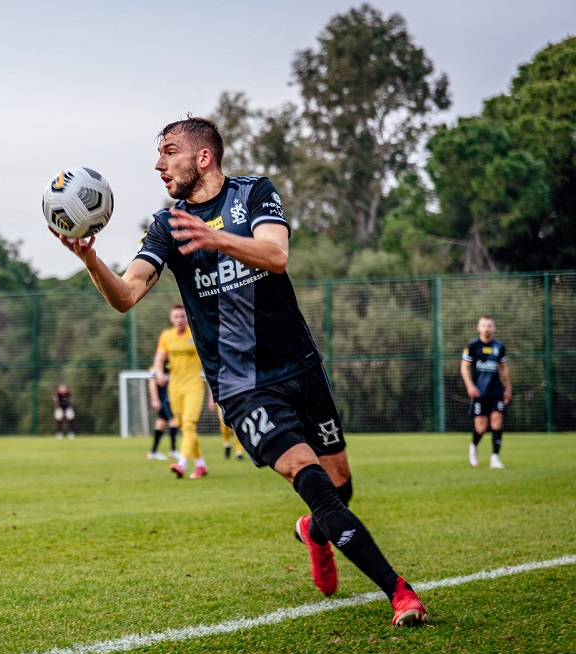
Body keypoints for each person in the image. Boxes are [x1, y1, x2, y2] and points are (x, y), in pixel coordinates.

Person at [52, 116, 426, 626]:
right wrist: (90, 260)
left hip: (299, 365)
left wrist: (218, 240)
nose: (159, 164)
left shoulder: (253, 193)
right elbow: (127, 295)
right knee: (310, 478)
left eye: (169, 151)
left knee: (340, 486)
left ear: (203, 156)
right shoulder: (166, 225)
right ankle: (400, 592)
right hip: (241, 385)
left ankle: (314, 533)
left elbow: (276, 255)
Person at [153, 304, 207, 478]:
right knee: (184, 427)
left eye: (182, 316)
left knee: (189, 424)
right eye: (176, 317)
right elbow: (159, 358)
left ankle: (182, 464)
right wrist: (159, 372)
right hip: (175, 388)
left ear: (187, 317)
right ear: (171, 319)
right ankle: (200, 464)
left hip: (194, 386)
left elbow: (208, 356)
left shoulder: (196, 333)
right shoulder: (166, 336)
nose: (180, 320)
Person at [461, 316, 511, 469]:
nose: (487, 329)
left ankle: (495, 458)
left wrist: (508, 387)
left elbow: (503, 368)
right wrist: (470, 386)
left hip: (496, 390)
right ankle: (473, 446)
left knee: (497, 420)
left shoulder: (499, 346)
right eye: (484, 325)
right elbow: (464, 367)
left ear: (493, 328)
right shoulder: (473, 346)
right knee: (481, 427)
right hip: (479, 392)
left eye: (489, 325)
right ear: (479, 328)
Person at [146, 364, 178, 460]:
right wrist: (155, 399)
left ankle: (153, 452)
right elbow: (152, 382)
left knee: (161, 424)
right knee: (174, 421)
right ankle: (173, 451)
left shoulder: (172, 363)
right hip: (165, 400)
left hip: (172, 398)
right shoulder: (156, 366)